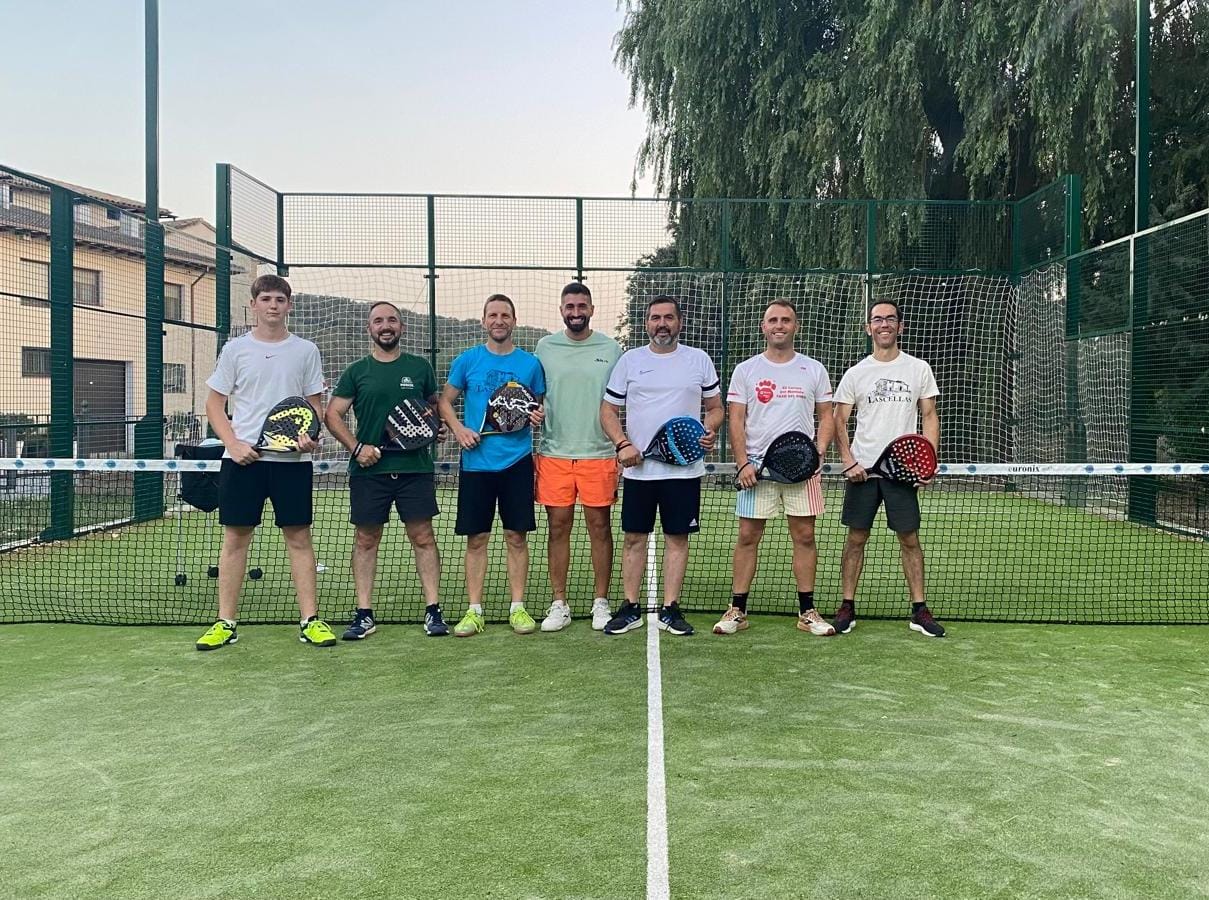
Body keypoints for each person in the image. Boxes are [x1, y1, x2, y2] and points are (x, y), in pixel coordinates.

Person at [195, 274, 335, 650]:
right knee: (235, 540)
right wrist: (233, 443)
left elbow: (313, 408)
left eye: (280, 299)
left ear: (289, 305)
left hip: (291, 465)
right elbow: (213, 404)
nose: (273, 305)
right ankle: (225, 623)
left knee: (300, 539)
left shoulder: (306, 350)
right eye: (266, 299)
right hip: (242, 463)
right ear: (254, 304)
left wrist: (309, 438)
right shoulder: (235, 350)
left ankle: (310, 620)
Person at [600, 295, 723, 637]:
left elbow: (715, 408)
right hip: (639, 472)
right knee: (634, 537)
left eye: (668, 317)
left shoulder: (698, 360)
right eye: (655, 318)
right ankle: (629, 607)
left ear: (679, 322)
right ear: (646, 324)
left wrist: (710, 429)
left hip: (684, 471)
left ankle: (670, 608)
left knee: (677, 537)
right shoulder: (630, 361)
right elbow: (607, 411)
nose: (662, 324)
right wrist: (623, 444)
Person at [325, 301, 448, 640]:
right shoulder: (356, 371)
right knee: (366, 539)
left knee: (423, 537)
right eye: (378, 321)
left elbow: (433, 410)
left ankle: (434, 611)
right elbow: (332, 415)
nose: (385, 326)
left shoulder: (420, 368)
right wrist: (357, 448)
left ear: (401, 327)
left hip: (415, 470)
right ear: (370, 328)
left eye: (392, 319)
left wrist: (437, 427)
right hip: (369, 472)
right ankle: (364, 614)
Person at [716, 300, 836, 636]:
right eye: (773, 320)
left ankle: (807, 612)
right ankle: (737, 610)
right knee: (747, 536)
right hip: (757, 469)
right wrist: (742, 464)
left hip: (803, 470)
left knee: (805, 536)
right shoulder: (746, 370)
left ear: (795, 326)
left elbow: (827, 415)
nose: (779, 325)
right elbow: (735, 419)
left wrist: (819, 452)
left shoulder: (813, 369)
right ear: (763, 327)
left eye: (785, 320)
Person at [831, 300, 945, 637]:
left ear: (900, 326)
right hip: (864, 472)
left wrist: (929, 460)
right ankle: (847, 606)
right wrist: (849, 460)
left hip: (903, 472)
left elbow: (929, 416)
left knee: (910, 539)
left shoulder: (918, 369)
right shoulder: (856, 373)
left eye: (890, 319)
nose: (884, 324)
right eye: (877, 319)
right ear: (868, 328)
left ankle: (919, 610)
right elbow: (839, 419)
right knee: (855, 539)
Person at [438, 294, 545, 637]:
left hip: (517, 462)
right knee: (477, 538)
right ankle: (474, 610)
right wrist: (458, 429)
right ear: (484, 321)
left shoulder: (530, 364)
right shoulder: (468, 360)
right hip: (476, 465)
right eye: (493, 315)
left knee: (516, 537)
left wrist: (538, 415)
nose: (499, 321)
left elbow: (535, 407)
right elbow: (444, 401)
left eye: (505, 315)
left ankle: (518, 608)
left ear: (514, 321)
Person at [533, 283, 624, 632]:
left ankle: (601, 602)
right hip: (554, 453)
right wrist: (534, 411)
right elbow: (535, 395)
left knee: (599, 527)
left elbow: (619, 398)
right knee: (558, 528)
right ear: (561, 310)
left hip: (598, 454)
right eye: (569, 306)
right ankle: (559, 603)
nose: (575, 312)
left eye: (581, 305)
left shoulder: (611, 348)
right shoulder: (545, 347)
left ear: (591, 308)